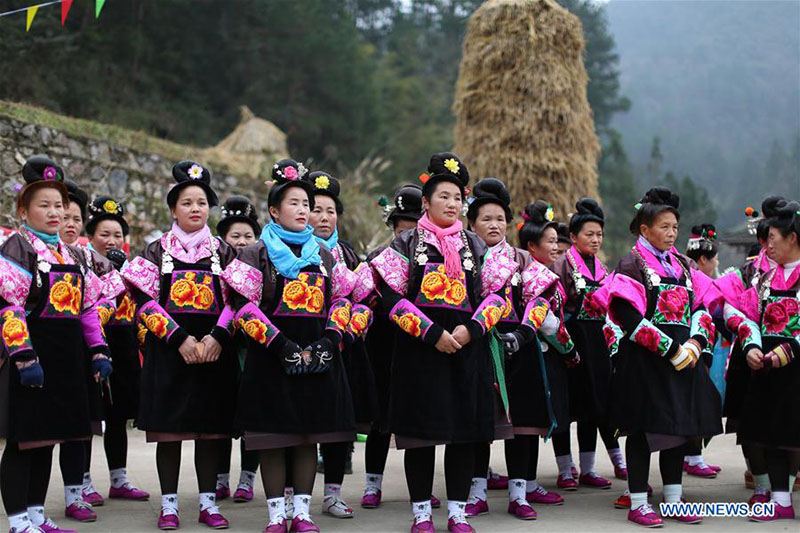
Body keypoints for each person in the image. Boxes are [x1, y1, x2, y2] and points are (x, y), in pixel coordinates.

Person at [370, 153, 506, 533]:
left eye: (457, 198)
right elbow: (390, 299)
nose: (451, 204)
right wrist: (432, 333)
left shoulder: (477, 246)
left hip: (467, 352)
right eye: (442, 196)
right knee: (421, 436)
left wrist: (470, 330)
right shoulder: (405, 244)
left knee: (463, 435)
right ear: (425, 203)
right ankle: (421, 513)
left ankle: (458, 511)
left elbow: (498, 297)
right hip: (419, 354)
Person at [220, 159, 356, 533]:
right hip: (272, 360)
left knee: (307, 438)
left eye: (306, 205)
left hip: (319, 360)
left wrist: (331, 340)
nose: (302, 211)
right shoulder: (254, 255)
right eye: (293, 203)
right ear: (274, 211)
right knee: (274, 438)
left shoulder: (327, 256)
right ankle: (276, 515)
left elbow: (345, 299)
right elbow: (240, 307)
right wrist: (279, 344)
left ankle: (303, 513)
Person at [121, 161, 239, 530]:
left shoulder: (224, 251)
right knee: (169, 435)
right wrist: (180, 339)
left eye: (201, 202)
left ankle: (208, 504)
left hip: (214, 354)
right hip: (170, 353)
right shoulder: (156, 250)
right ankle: (169, 505)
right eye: (186, 202)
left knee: (209, 433)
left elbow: (238, 301)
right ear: (173, 209)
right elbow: (144, 302)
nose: (195, 209)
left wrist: (217, 337)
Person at [0, 155, 112, 533]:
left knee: (48, 439)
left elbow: (88, 308)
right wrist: (23, 356)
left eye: (59, 206)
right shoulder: (18, 248)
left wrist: (98, 350)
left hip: (67, 359)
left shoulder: (72, 254)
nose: (54, 213)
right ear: (23, 209)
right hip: (31, 358)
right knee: (23, 441)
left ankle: (36, 514)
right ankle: (17, 521)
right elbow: (9, 306)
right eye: (43, 205)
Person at [601, 186, 722, 527]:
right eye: (664, 227)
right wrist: (672, 350)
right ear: (644, 229)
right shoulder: (631, 264)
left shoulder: (684, 266)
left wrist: (696, 344)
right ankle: (639, 502)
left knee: (677, 430)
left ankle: (673, 500)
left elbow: (701, 308)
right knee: (642, 430)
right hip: (645, 360)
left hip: (684, 359)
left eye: (674, 228)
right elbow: (628, 318)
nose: (671, 234)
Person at [464, 182, 565, 521]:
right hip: (479, 344)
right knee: (481, 421)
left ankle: (519, 493)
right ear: (471, 224)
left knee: (522, 424)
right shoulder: (464, 258)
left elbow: (540, 300)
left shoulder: (522, 259)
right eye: (485, 219)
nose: (493, 225)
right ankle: (476, 492)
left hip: (519, 346)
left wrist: (524, 333)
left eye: (499, 219)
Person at [361, 184, 442, 510]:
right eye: (401, 228)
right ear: (392, 228)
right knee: (380, 422)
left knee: (419, 421)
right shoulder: (377, 260)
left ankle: (420, 488)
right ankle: (372, 485)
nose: (406, 233)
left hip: (417, 348)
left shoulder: (434, 257)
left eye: (412, 226)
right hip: (383, 348)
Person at [303, 171, 377, 519]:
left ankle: (332, 493)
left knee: (338, 426)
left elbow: (365, 301)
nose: (323, 217)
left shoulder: (348, 254)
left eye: (330, 211)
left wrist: (348, 330)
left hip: (342, 349)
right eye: (316, 210)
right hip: (302, 347)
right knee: (300, 423)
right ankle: (293, 495)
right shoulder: (286, 250)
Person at [550, 199, 625, 491]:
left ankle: (589, 469)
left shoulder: (603, 269)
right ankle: (565, 468)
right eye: (589, 234)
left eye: (599, 235)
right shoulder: (561, 265)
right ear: (573, 237)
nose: (595, 240)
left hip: (597, 345)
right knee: (566, 406)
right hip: (568, 343)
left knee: (593, 407)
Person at [82, 196, 151, 506]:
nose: (111, 241)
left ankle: (119, 479)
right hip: (93, 340)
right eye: (104, 234)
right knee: (87, 415)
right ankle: (80, 482)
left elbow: (140, 308)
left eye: (118, 235)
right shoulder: (80, 264)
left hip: (123, 343)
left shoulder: (129, 267)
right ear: (91, 235)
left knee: (119, 414)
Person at [714, 199, 783, 502]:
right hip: (751, 355)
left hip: (788, 357)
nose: (773, 244)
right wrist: (747, 336)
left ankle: (783, 479)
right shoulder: (746, 273)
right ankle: (761, 481)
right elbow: (729, 308)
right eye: (769, 237)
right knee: (750, 422)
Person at [736, 200, 800, 521]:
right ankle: (778, 500)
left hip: (794, 367)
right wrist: (750, 345)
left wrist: (788, 351)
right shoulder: (764, 279)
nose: (768, 242)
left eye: (774, 236)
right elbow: (745, 314)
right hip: (767, 367)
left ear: (793, 238)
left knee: (792, 436)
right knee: (770, 434)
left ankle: (782, 499)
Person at [214, 195, 262, 504]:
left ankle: (247, 479)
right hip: (223, 350)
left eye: (248, 236)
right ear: (224, 239)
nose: (242, 242)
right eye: (235, 236)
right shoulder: (214, 266)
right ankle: (219, 479)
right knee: (220, 416)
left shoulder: (263, 264)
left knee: (252, 419)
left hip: (254, 351)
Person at [681, 223, 723, 478]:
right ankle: (691, 457)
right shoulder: (692, 278)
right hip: (692, 348)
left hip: (703, 348)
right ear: (704, 258)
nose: (716, 263)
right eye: (715, 259)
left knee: (702, 402)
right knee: (697, 402)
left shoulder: (702, 278)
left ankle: (694, 456)